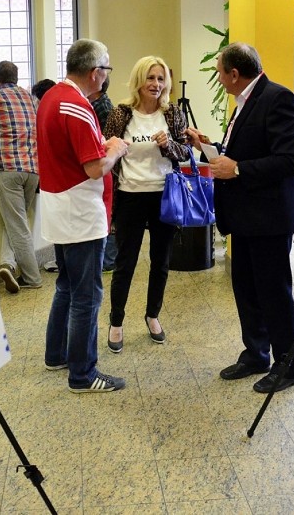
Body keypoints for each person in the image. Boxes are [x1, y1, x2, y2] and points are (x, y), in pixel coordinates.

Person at [185, 42, 294, 393]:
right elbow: (243, 153)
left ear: (234, 74)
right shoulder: (245, 102)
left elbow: (290, 161)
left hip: (269, 217)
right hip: (246, 217)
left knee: (273, 291)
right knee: (247, 288)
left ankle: (288, 364)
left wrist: (237, 168)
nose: (219, 78)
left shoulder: (278, 99)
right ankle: (256, 353)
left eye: (219, 71)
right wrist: (208, 149)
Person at [37, 38, 129, 393]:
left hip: (60, 206)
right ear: (95, 73)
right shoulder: (76, 106)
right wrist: (116, 148)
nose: (106, 77)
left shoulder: (52, 97)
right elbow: (94, 167)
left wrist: (103, 148)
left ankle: (56, 353)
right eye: (106, 69)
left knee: (66, 286)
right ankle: (83, 373)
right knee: (87, 294)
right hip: (78, 211)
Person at [102, 56, 191, 352]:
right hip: (129, 196)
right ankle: (116, 321)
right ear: (139, 81)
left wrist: (168, 144)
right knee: (124, 263)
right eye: (151, 78)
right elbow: (106, 150)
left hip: (164, 196)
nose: (156, 84)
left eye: (161, 78)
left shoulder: (172, 113)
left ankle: (153, 315)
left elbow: (184, 153)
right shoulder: (121, 113)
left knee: (160, 262)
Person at [0, 61, 42, 293]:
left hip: (6, 168)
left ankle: (33, 277)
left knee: (17, 224)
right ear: (16, 77)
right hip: (32, 169)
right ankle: (8, 264)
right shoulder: (31, 99)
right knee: (15, 221)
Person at [90, 76, 118, 273]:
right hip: (109, 165)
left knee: (111, 212)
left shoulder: (103, 107)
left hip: (110, 166)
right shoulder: (100, 105)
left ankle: (109, 260)